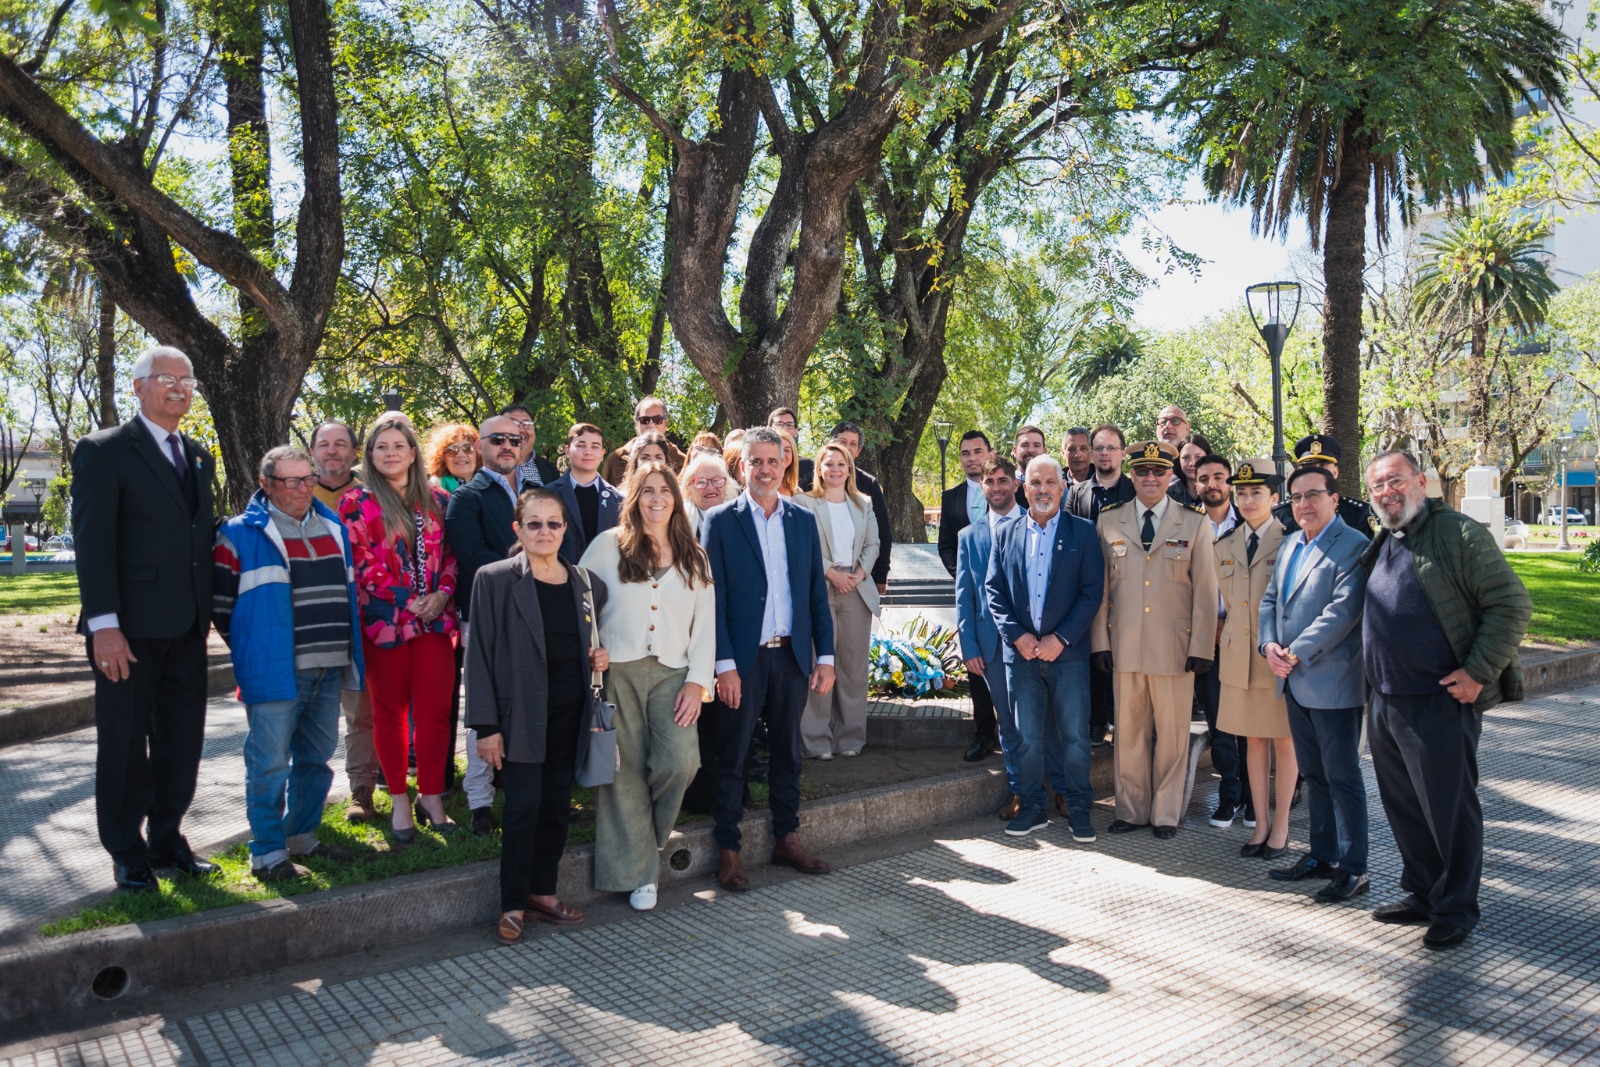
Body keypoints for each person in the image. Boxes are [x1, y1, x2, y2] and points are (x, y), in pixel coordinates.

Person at [1360, 451, 1531, 949]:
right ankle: (1422, 892)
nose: (1387, 492)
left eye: (1395, 481)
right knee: (1405, 808)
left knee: (1448, 811)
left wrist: (1478, 673)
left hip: (1437, 701)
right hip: (1387, 699)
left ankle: (1456, 908)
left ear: (1420, 480)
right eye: (1377, 486)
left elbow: (1512, 603)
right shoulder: (1386, 539)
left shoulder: (1457, 533)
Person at [72, 345, 219, 891]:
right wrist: (103, 626)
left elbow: (200, 537)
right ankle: (126, 850)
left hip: (187, 629)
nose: (179, 388)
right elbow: (92, 544)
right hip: (127, 632)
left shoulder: (198, 455)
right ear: (139, 388)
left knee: (183, 741)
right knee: (125, 743)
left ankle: (166, 839)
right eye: (165, 378)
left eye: (187, 380)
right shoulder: (104, 450)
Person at [466, 488, 609, 944]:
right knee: (524, 807)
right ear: (518, 529)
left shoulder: (586, 583)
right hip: (520, 715)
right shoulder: (494, 579)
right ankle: (512, 902)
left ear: (566, 529)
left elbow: (589, 641)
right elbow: (479, 658)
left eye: (553, 523)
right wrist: (486, 728)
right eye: (534, 523)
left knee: (556, 806)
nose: (544, 532)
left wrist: (599, 657)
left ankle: (543, 892)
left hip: (571, 712)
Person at [213, 447, 363, 881]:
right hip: (275, 667)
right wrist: (252, 647)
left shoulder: (333, 526)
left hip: (330, 663)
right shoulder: (240, 534)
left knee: (316, 758)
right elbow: (221, 607)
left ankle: (302, 837)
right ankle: (267, 853)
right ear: (266, 484)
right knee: (269, 763)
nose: (302, 489)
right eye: (290, 481)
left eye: (307, 478)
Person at [701, 427, 836, 892]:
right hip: (743, 662)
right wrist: (724, 665)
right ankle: (729, 850)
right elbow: (712, 601)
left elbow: (816, 593)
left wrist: (827, 656)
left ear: (785, 467)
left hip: (793, 659)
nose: (764, 469)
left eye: (772, 462)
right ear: (743, 467)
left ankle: (787, 837)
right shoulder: (719, 522)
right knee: (732, 755)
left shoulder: (801, 521)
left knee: (787, 753)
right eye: (754, 462)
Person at [580, 464, 716, 910]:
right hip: (619, 671)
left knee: (681, 760)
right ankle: (640, 875)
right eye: (647, 491)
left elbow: (705, 626)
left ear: (676, 499)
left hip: (673, 675)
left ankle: (645, 841)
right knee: (624, 773)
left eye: (665, 491)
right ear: (634, 498)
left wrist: (698, 683)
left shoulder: (694, 555)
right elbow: (579, 604)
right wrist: (593, 649)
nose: (656, 498)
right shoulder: (607, 546)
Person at [340, 417, 460, 841]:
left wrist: (443, 594)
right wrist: (409, 599)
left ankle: (431, 795)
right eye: (380, 447)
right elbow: (361, 562)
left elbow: (451, 557)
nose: (390, 453)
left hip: (434, 623)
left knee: (435, 714)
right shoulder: (357, 502)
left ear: (413, 452)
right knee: (389, 715)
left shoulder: (440, 500)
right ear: (370, 456)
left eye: (398, 445)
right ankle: (398, 801)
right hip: (384, 624)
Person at [1091, 441, 1218, 839]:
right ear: (1132, 475)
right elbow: (1102, 591)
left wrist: (1202, 647)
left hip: (1175, 650)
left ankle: (1166, 813)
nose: (1150, 478)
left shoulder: (1195, 523)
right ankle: (1130, 809)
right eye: (1142, 471)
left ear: (1171, 477)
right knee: (1127, 734)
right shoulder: (1109, 521)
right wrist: (1100, 642)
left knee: (1173, 737)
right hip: (1124, 647)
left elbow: (1206, 592)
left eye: (1158, 472)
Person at [1258, 465, 1370, 900]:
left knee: (1342, 776)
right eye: (1296, 497)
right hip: (1292, 679)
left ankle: (1354, 868)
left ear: (1334, 498)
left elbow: (1343, 611)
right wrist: (1268, 645)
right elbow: (1271, 600)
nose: (1303, 504)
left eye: (1313, 495)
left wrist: (1295, 651)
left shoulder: (1353, 545)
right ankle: (1321, 855)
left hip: (1332, 680)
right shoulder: (1289, 545)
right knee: (1314, 774)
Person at [987, 456, 1105, 841]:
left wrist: (1061, 638)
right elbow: (994, 591)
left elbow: (1091, 593)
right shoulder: (1006, 533)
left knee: (1073, 736)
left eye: (1050, 483)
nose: (1042, 490)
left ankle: (1080, 808)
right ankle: (1032, 806)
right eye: (1035, 482)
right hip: (1020, 657)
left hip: (1066, 656)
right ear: (1024, 488)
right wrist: (1017, 637)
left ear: (1063, 488)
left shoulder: (1084, 533)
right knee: (1027, 738)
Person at [444, 415, 532, 834]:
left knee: (528, 702)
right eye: (498, 439)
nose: (508, 445)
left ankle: (521, 788)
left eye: (515, 439)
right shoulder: (467, 497)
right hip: (485, 617)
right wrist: (533, 567)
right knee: (483, 708)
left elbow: (561, 544)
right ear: (480, 446)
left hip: (534, 617)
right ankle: (480, 801)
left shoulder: (535, 491)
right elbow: (472, 555)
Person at [1214, 460, 1296, 855]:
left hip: (1275, 658)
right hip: (1237, 661)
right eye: (1242, 493)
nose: (1247, 500)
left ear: (1275, 498)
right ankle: (1259, 824)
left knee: (1284, 743)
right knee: (1253, 743)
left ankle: (1281, 826)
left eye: (1256, 493)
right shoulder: (1223, 545)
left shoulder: (1291, 541)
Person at [309, 421, 380, 821]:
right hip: (311, 620)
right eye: (324, 444)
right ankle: (301, 802)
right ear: (312, 450)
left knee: (360, 709)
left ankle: (362, 790)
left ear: (355, 451)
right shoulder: (293, 491)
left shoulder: (371, 495)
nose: (332, 451)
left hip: (362, 617)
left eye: (340, 444)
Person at [792, 443, 880, 759]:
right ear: (819, 469)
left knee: (852, 667)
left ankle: (850, 739)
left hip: (855, 591)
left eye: (840, 464)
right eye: (828, 464)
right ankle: (816, 740)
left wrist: (857, 575)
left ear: (849, 469)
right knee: (821, 663)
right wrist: (832, 573)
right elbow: (807, 546)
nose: (835, 469)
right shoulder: (804, 503)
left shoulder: (863, 503)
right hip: (821, 588)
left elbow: (873, 543)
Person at [957, 457, 1027, 816]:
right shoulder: (969, 536)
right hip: (990, 646)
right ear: (981, 486)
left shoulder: (1036, 523)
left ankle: (1057, 787)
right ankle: (1019, 791)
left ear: (1016, 483)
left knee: (1046, 721)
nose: (997, 487)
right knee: (1009, 724)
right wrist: (969, 645)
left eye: (1003, 480)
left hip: (1033, 643)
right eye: (990, 482)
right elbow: (965, 594)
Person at [1068, 423, 1133, 748]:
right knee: (1095, 657)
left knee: (1123, 659)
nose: (1104, 453)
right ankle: (1096, 722)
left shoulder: (1135, 491)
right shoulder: (1076, 494)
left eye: (1111, 447)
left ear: (1123, 452)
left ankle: (1123, 720)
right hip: (1089, 590)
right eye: (1100, 448)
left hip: (1128, 591)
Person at [937, 431, 999, 760]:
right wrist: (963, 575)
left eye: (977, 451)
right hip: (971, 596)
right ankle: (984, 733)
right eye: (965, 453)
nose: (971, 457)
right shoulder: (951, 498)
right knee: (975, 662)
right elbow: (946, 544)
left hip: (1009, 594)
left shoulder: (1010, 489)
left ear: (990, 452)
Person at [1191, 454, 1245, 824]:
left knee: (1250, 722)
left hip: (1244, 638)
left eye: (1219, 477)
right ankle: (1230, 794)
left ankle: (1254, 797)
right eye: (1204, 478)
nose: (1212, 484)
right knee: (1219, 723)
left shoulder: (1252, 523)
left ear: (1230, 483)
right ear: (1196, 484)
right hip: (1205, 641)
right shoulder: (1186, 525)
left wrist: (1234, 623)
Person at [819, 422, 892, 594]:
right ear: (831, 443)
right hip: (820, 578)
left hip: (860, 577)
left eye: (853, 444)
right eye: (843, 442)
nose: (847, 447)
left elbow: (882, 532)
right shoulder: (810, 483)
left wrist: (881, 575)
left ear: (858, 451)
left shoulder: (869, 484)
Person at [1273, 434, 1378, 539]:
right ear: (1299, 471)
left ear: (1335, 472)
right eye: (1308, 466)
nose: (1316, 472)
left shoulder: (1357, 514)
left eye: (1323, 466)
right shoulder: (1279, 514)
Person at [553, 422, 620, 560]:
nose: (588, 452)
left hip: (604, 577)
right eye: (580, 445)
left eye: (595, 446)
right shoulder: (548, 495)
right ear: (567, 451)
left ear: (602, 454)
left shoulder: (619, 500)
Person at [602, 396, 687, 485]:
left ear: (666, 423)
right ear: (636, 423)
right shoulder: (615, 460)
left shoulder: (683, 462)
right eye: (645, 420)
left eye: (657, 420)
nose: (651, 425)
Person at [500, 404, 560, 487]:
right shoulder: (485, 466)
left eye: (527, 424)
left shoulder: (550, 470)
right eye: (513, 423)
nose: (520, 429)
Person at [680, 450, 737, 536]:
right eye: (701, 482)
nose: (710, 487)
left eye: (717, 480)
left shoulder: (738, 518)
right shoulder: (680, 522)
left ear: (727, 484)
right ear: (688, 488)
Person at [425, 423, 480, 493]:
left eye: (467, 448)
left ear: (477, 453)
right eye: (451, 450)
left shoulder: (492, 484)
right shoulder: (433, 489)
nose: (460, 455)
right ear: (442, 457)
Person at [1169, 433, 1214, 508]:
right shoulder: (1169, 493)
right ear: (1178, 460)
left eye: (1198, 457)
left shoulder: (1217, 489)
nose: (1191, 463)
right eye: (1186, 457)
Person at [1013, 426, 1047, 509]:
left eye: (1036, 445)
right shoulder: (1005, 483)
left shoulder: (1056, 485)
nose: (1031, 450)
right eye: (1025, 445)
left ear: (1044, 451)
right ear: (1014, 450)